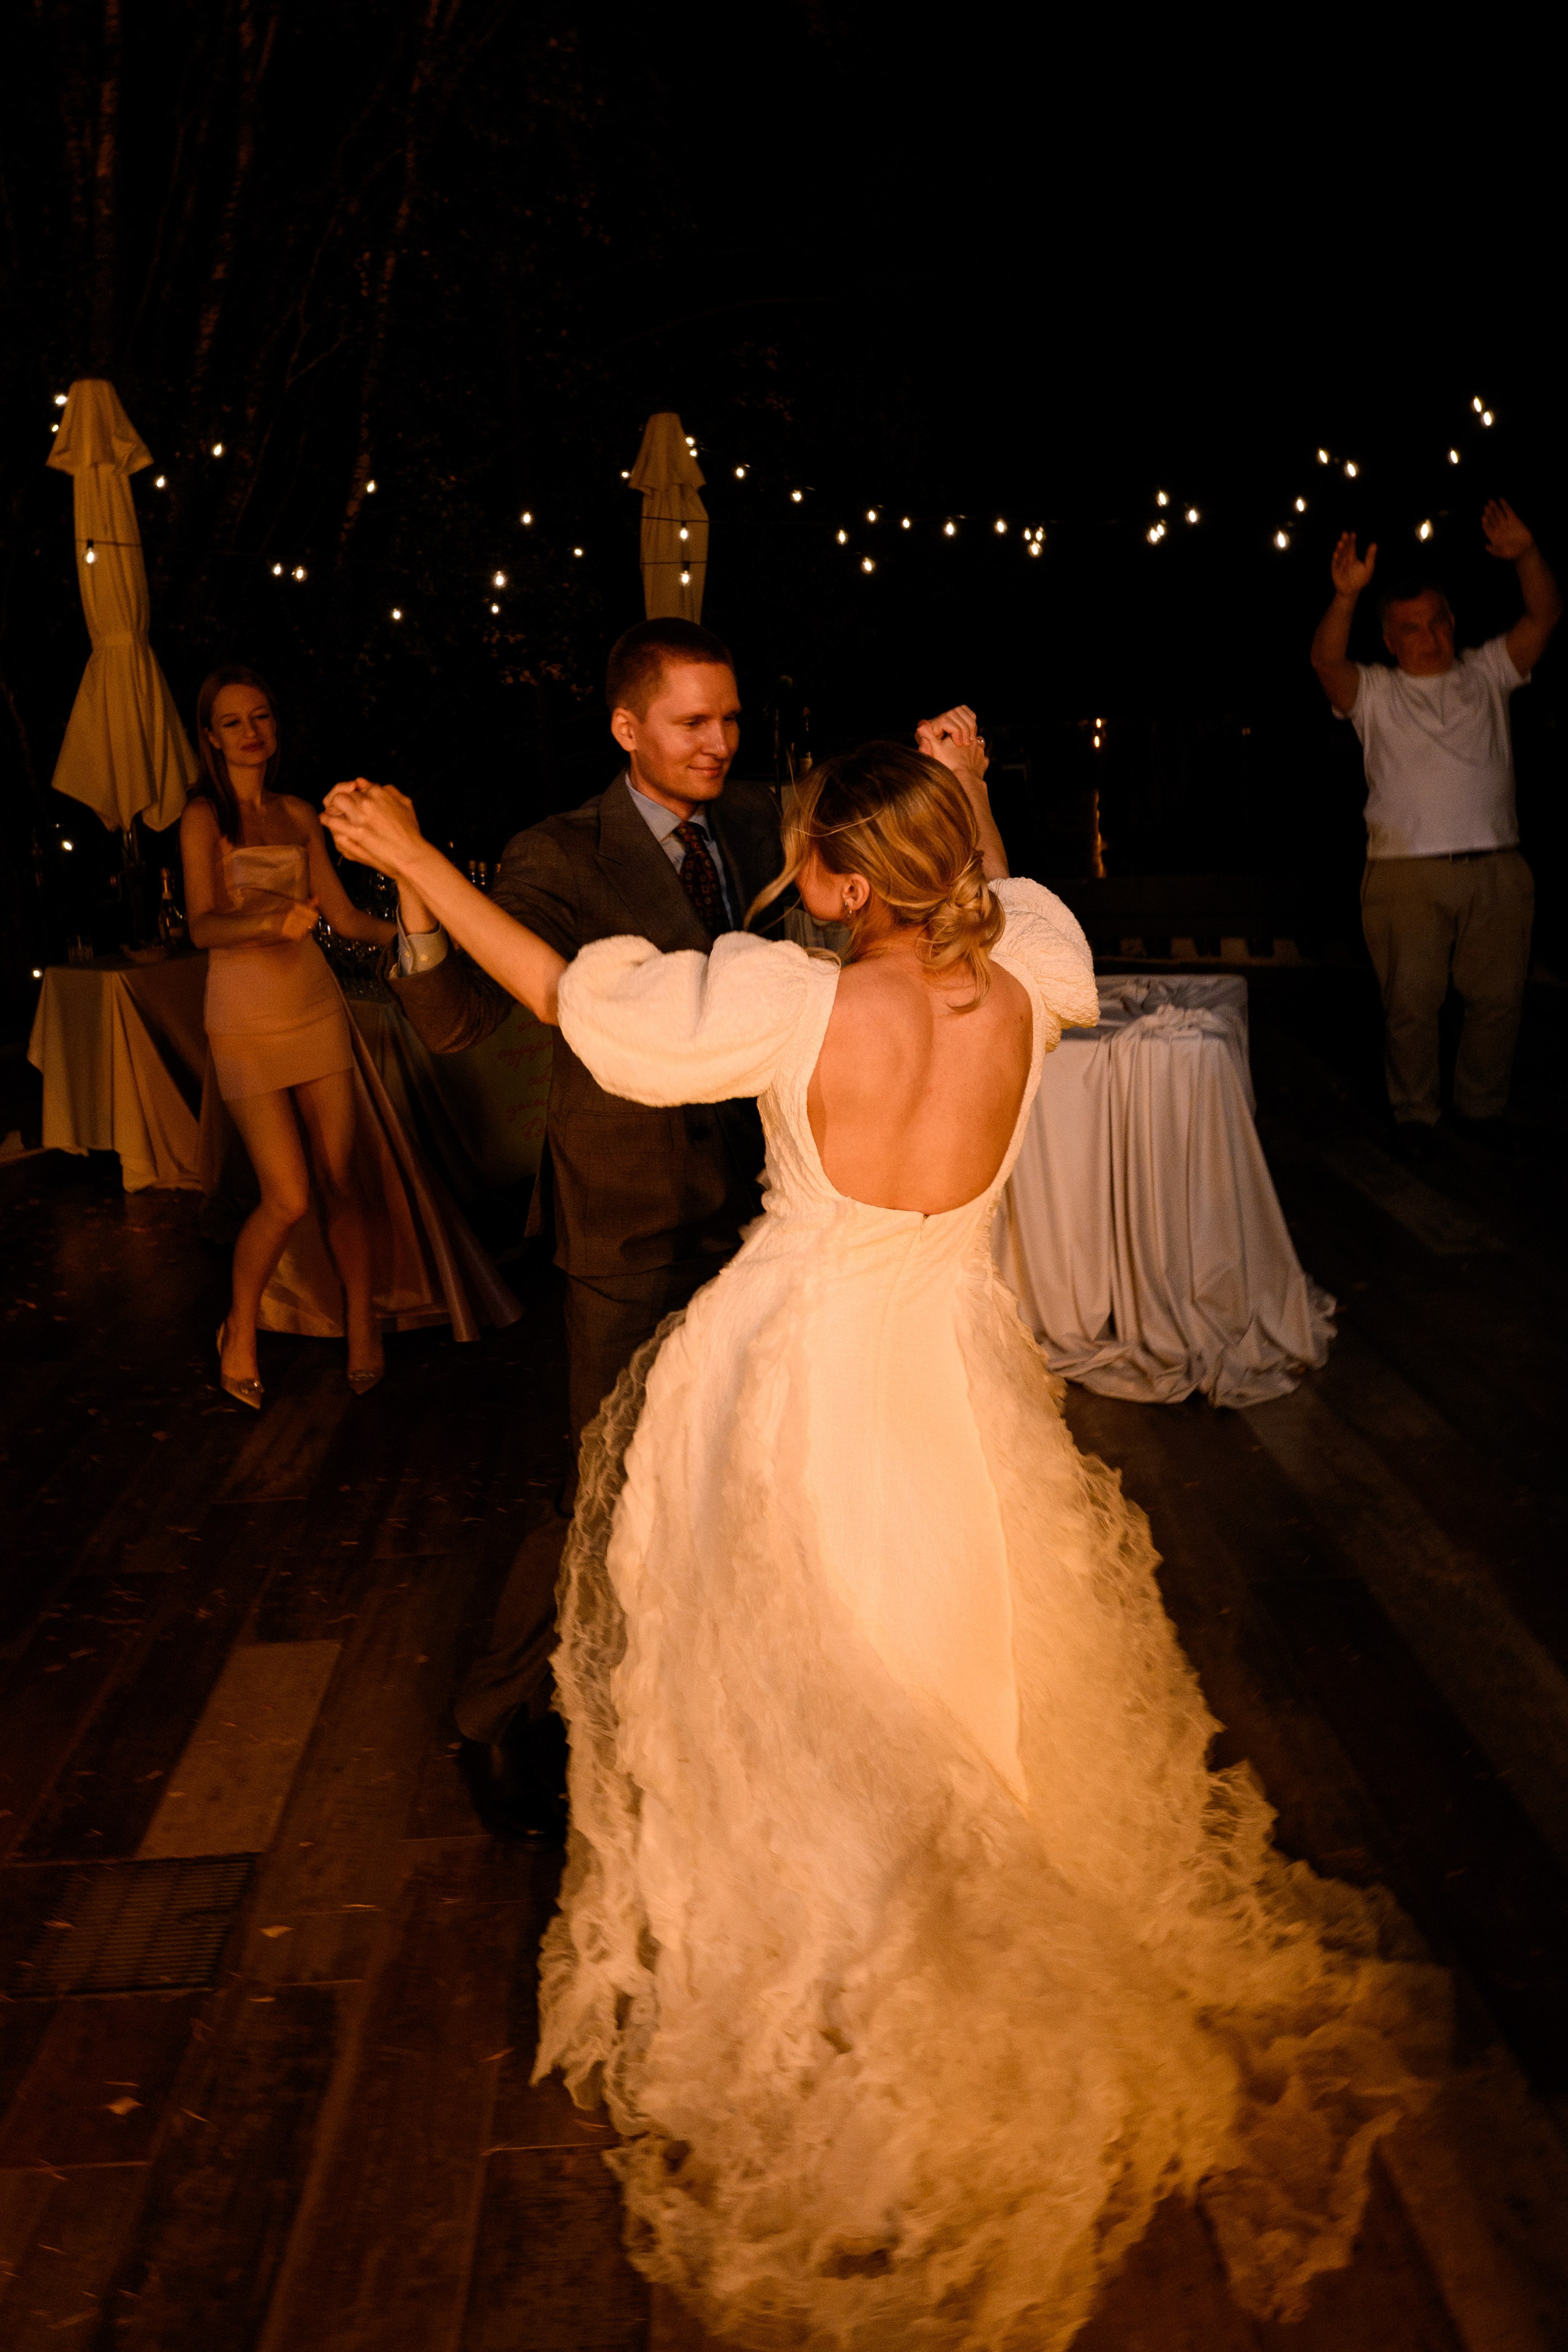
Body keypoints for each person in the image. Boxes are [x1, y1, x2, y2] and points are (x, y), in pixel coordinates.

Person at [323, 721, 1441, 2349]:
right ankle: (940, 1919)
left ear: (845, 884)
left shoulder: (791, 1003)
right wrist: (966, 780)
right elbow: (1004, 891)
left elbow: (568, 998)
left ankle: (828, 1943)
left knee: (782, 1666)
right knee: (944, 1645)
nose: (796, 874)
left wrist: (415, 860)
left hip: (796, 1380)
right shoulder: (1036, 973)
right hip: (952, 1382)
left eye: (809, 856)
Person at [380, 618, 784, 1824]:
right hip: (625, 1213)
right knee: (602, 1475)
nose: (718, 742)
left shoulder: (756, 825)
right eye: (692, 722)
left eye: (729, 718)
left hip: (763, 1206)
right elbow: (456, 1021)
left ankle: (687, 1695)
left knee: (734, 1464)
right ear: (625, 728)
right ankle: (494, 1712)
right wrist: (415, 890)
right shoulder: (559, 853)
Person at [182, 666, 519, 1411]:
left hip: (312, 1006)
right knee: (287, 1195)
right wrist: (269, 920)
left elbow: (343, 918)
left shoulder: (299, 813)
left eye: (260, 716)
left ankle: (363, 1323)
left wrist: (423, 932)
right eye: (233, 722)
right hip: (242, 1018)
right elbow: (202, 926)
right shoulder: (204, 818)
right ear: (211, 737)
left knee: (343, 1180)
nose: (251, 732)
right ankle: (239, 1327)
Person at [1310, 500, 1561, 1158]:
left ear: (1453, 623)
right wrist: (1345, 598)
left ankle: (1481, 1109)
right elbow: (1327, 666)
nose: (1430, 637)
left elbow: (1544, 618)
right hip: (1406, 873)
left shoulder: (1487, 672)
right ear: (1391, 641)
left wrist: (1526, 555)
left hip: (1496, 865)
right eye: (1411, 629)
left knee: (1498, 1001)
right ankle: (1416, 1116)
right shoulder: (1377, 693)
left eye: (1438, 622)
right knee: (1411, 1004)